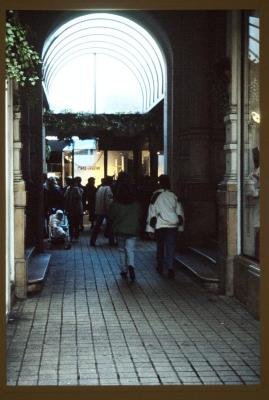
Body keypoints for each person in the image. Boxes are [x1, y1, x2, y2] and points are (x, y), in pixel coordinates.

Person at [146, 174, 184, 279]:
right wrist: (180, 227)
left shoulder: (155, 196)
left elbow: (151, 213)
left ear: (159, 183)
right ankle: (170, 268)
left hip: (160, 225)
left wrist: (150, 229)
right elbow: (180, 212)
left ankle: (160, 266)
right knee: (170, 247)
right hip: (172, 225)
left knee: (160, 246)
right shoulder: (174, 195)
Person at [108, 181, 142, 281]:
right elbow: (140, 216)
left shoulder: (116, 204)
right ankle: (131, 265)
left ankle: (124, 269)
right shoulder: (136, 204)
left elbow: (111, 216)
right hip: (133, 229)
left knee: (122, 250)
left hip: (120, 229)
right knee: (130, 249)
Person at [90, 176, 115, 246]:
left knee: (97, 226)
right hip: (106, 210)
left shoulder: (100, 188)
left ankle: (92, 240)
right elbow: (109, 201)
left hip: (99, 210)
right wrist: (110, 209)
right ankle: (111, 241)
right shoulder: (108, 189)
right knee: (110, 226)